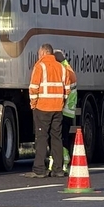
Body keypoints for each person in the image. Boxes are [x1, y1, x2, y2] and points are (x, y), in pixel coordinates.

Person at [29, 43, 70, 178]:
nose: (38, 56)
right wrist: (61, 102)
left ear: (43, 53)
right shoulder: (62, 68)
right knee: (56, 138)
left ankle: (39, 169)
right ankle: (58, 169)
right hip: (57, 108)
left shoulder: (39, 66)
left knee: (41, 138)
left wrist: (33, 104)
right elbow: (67, 89)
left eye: (39, 53)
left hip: (42, 107)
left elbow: (34, 87)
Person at [49, 49, 78, 174]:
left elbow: (62, 90)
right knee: (63, 136)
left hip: (62, 108)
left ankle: (58, 163)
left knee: (58, 137)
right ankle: (63, 162)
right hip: (68, 110)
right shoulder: (68, 69)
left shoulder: (63, 70)